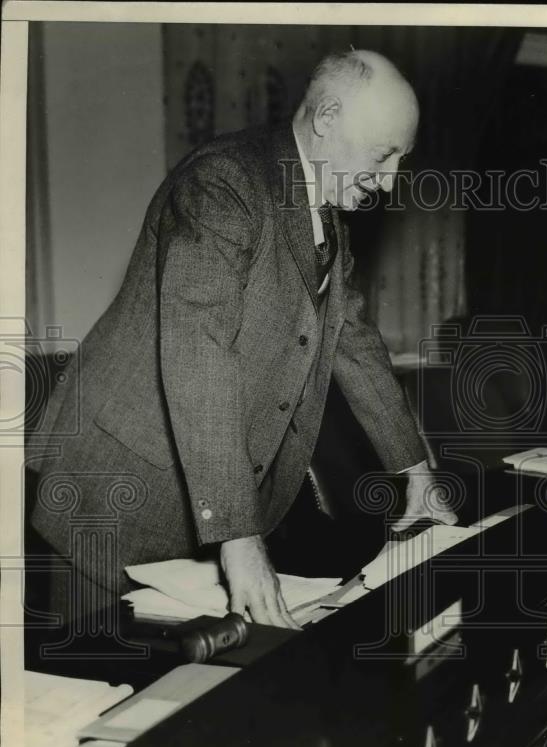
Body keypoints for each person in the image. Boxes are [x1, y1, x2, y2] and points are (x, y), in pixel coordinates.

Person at [29, 50, 456, 629]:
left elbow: (354, 343)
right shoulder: (224, 182)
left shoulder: (326, 216)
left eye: (402, 159)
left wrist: (418, 475)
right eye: (384, 155)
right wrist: (238, 533)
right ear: (327, 117)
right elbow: (199, 349)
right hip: (112, 491)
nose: (390, 180)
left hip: (199, 498)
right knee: (100, 688)